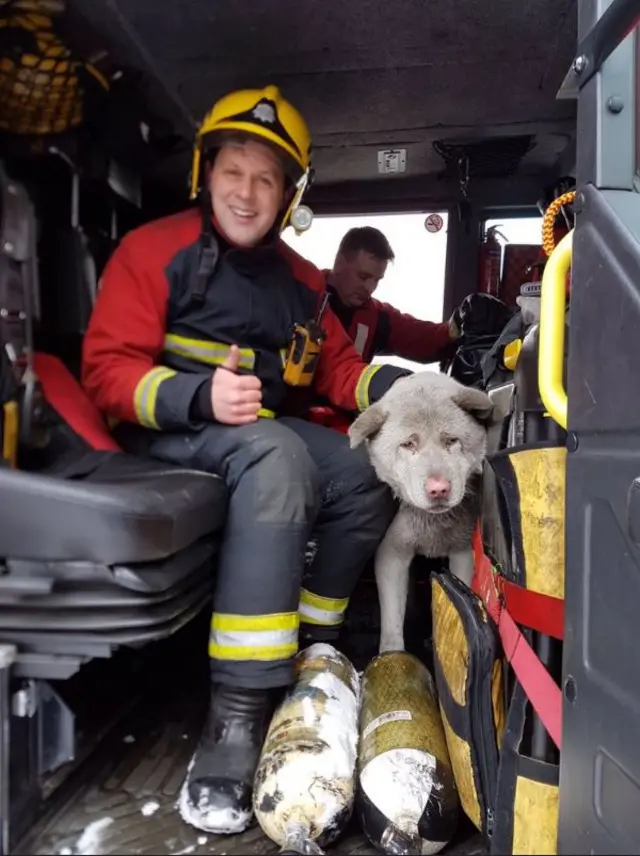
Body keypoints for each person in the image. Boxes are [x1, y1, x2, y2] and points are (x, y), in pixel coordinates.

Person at [81, 85, 411, 834]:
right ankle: (235, 716)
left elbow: (335, 373)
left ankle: (312, 651)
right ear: (206, 173)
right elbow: (105, 371)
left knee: (366, 469)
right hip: (165, 436)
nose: (248, 191)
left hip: (257, 436)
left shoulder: (301, 282)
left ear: (290, 193)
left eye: (267, 178)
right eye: (234, 170)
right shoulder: (152, 250)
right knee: (278, 454)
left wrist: (404, 390)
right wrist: (198, 396)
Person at [325, 225, 461, 363]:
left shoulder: (376, 317)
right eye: (363, 276)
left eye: (377, 280)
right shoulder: (306, 294)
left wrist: (455, 326)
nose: (369, 288)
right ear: (340, 263)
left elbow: (420, 337)